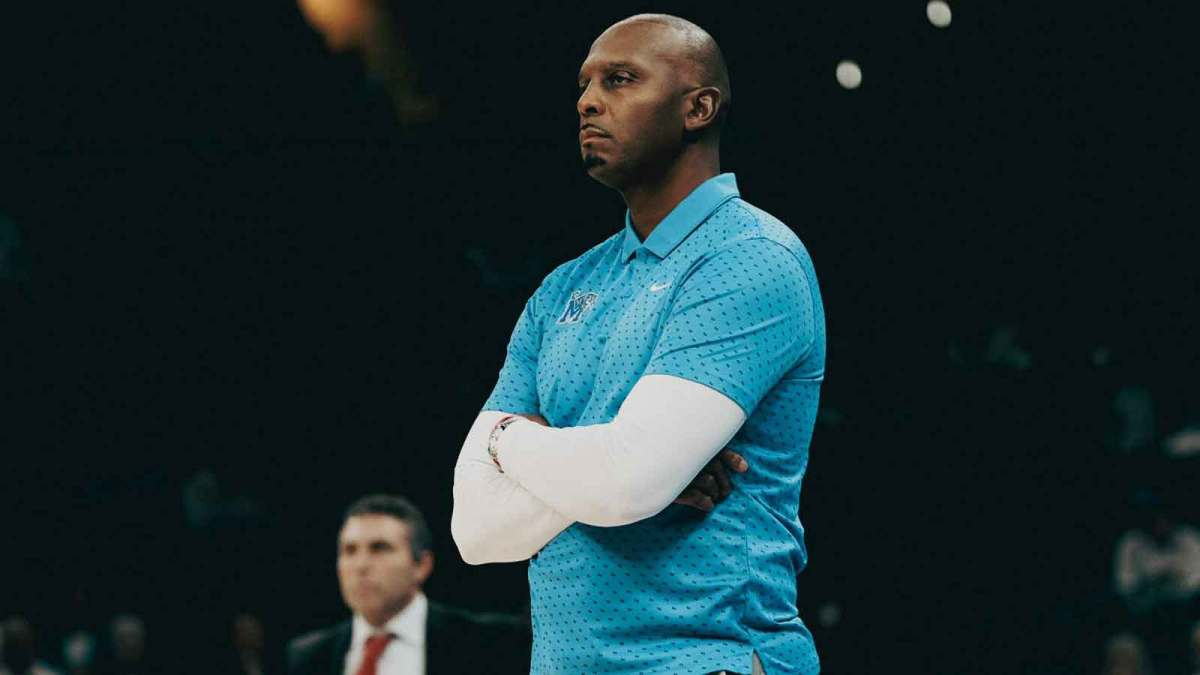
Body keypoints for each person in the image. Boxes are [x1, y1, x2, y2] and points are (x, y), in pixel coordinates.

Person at [452, 13, 825, 675]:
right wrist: (605, 462)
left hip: (708, 659)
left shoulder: (752, 258)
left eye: (620, 79)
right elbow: (475, 530)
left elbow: (626, 481)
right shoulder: (564, 285)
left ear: (698, 107)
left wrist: (506, 441)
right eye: (585, 84)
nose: (587, 100)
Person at [286, 494, 529, 674]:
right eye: (349, 550)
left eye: (379, 548)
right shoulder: (307, 657)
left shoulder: (490, 644)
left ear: (421, 565)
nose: (360, 565)